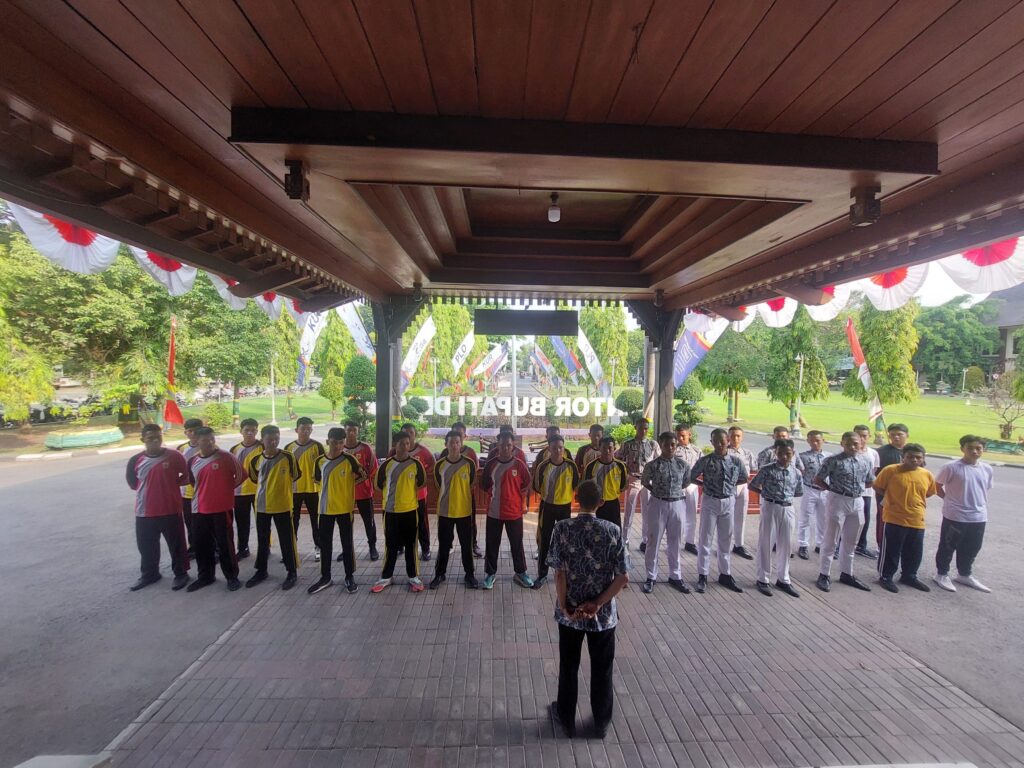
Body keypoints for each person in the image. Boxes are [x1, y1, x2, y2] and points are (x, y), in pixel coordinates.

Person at [547, 479, 628, 740]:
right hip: (602, 617)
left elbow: (559, 574)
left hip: (570, 612)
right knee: (602, 668)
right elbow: (622, 577)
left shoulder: (562, 528)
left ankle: (566, 719)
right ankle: (601, 722)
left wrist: (564, 606)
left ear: (575, 498)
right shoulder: (613, 531)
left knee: (569, 665)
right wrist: (598, 603)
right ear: (601, 503)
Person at [125, 424, 191, 591]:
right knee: (146, 546)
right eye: (150, 438)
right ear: (142, 440)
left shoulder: (175, 456)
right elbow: (133, 483)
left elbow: (186, 476)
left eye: (158, 437)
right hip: (144, 511)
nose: (155, 441)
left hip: (171, 509)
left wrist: (170, 485)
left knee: (177, 545)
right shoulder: (135, 460)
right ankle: (150, 574)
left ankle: (181, 573)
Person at [308, 427, 367, 595]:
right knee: (325, 544)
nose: (338, 446)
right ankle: (325, 577)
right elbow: (317, 480)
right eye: (334, 443)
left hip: (344, 509)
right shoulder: (319, 461)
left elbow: (363, 475)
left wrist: (347, 487)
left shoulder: (350, 460)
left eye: (341, 443)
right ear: (328, 442)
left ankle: (349, 576)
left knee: (347, 544)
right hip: (325, 509)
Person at [186, 426, 245, 592]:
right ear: (197, 441)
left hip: (221, 508)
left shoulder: (226, 457)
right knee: (201, 544)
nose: (210, 443)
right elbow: (193, 481)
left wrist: (226, 490)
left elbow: (242, 475)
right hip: (199, 509)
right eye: (205, 440)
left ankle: (232, 577)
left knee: (225, 544)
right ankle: (205, 576)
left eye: (212, 439)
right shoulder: (193, 461)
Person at [814, 432, 874, 593]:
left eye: (856, 443)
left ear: (861, 443)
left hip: (857, 500)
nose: (853, 447)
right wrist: (832, 490)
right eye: (848, 444)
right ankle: (824, 574)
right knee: (831, 539)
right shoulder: (833, 461)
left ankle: (847, 573)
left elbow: (870, 480)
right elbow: (818, 479)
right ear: (842, 444)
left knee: (851, 540)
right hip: (838, 499)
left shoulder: (866, 460)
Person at [872, 443, 936, 593]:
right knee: (891, 550)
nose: (914, 460)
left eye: (918, 457)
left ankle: (909, 575)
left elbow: (929, 493)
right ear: (903, 457)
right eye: (910, 457)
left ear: (923, 458)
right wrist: (892, 498)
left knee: (914, 551)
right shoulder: (890, 470)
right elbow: (877, 486)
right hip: (894, 518)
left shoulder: (926, 475)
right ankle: (885, 576)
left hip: (917, 519)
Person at [934, 435, 993, 593]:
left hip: (979, 515)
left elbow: (984, 488)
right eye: (970, 448)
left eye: (978, 448)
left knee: (972, 547)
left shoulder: (987, 469)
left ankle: (964, 574)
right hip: (955, 514)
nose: (974, 451)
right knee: (948, 545)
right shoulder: (951, 467)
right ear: (962, 449)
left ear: (983, 450)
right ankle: (941, 574)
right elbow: (936, 486)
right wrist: (948, 500)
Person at [690, 429, 746, 594]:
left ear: (728, 440)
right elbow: (691, 476)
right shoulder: (705, 461)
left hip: (728, 500)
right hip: (710, 500)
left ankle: (725, 574)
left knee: (726, 540)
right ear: (712, 442)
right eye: (716, 442)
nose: (720, 445)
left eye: (722, 441)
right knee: (705, 539)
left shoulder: (736, 461)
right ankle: (703, 575)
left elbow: (743, 477)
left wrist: (729, 487)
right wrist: (704, 485)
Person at [246, 425, 301, 591]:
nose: (273, 442)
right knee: (262, 540)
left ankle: (291, 572)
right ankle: (261, 570)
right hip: (262, 506)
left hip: (283, 505)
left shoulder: (288, 457)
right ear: (262, 440)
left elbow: (296, 475)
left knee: (287, 540)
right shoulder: (256, 460)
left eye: (276, 439)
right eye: (270, 439)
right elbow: (254, 478)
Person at [372, 432, 427, 593]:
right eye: (401, 443)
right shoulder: (386, 465)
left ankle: (413, 576)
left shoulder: (416, 465)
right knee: (391, 544)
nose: (404, 446)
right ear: (395, 445)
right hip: (390, 511)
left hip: (410, 510)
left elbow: (421, 483)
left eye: (407, 443)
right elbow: (378, 486)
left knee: (411, 545)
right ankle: (386, 576)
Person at [639, 431, 692, 594]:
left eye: (673, 445)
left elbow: (686, 482)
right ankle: (650, 576)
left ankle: (675, 575)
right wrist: (657, 490)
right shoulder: (652, 465)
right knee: (653, 541)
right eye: (666, 445)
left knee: (675, 542)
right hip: (658, 504)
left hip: (677, 504)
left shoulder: (683, 465)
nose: (670, 448)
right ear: (660, 445)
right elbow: (645, 481)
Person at [749, 439, 803, 598]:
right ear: (775, 453)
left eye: (788, 453)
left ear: (793, 453)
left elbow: (798, 491)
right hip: (770, 506)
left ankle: (783, 579)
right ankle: (763, 578)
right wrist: (766, 494)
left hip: (788, 508)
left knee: (786, 544)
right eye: (780, 453)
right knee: (766, 542)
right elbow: (753, 485)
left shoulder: (796, 472)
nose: (784, 457)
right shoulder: (767, 469)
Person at [480, 432, 533, 590]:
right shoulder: (491, 464)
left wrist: (518, 499)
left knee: (517, 544)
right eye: (502, 445)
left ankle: (521, 573)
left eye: (508, 445)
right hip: (494, 512)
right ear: (497, 445)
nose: (505, 448)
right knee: (492, 544)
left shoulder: (519, 465)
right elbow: (484, 484)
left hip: (514, 512)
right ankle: (490, 574)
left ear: (513, 446)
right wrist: (495, 495)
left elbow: (527, 483)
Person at [431, 431, 479, 590]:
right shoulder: (439, 465)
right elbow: (438, 485)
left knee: (466, 545)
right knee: (444, 545)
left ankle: (469, 575)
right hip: (445, 512)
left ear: (461, 444)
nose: (454, 445)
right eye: (451, 442)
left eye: (457, 442)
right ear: (446, 444)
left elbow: (471, 484)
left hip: (464, 511)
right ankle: (439, 574)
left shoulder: (469, 464)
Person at [533, 434, 580, 588]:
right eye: (554, 448)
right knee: (545, 541)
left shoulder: (571, 466)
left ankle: (565, 574)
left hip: (564, 508)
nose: (558, 451)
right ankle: (542, 575)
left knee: (565, 542)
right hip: (547, 507)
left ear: (564, 448)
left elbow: (575, 485)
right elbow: (537, 486)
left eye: (561, 448)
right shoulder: (543, 466)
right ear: (549, 449)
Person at [285, 417, 325, 561]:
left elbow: (323, 466)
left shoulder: (317, 446)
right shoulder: (289, 448)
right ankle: (291, 549)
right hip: (294, 490)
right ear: (297, 430)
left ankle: (318, 547)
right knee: (293, 521)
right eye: (303, 428)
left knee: (316, 520)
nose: (306, 431)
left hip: (312, 489)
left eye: (309, 429)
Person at [617, 417, 658, 551]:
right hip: (633, 480)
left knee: (648, 512)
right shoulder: (627, 444)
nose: (643, 431)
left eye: (646, 428)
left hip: (648, 481)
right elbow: (618, 458)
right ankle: (625, 540)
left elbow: (659, 461)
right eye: (640, 428)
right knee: (629, 511)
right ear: (635, 428)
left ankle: (645, 541)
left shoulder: (653, 445)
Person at [342, 420, 379, 561]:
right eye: (349, 430)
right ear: (344, 431)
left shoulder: (365, 448)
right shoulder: (340, 448)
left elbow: (373, 468)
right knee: (345, 523)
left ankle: (372, 547)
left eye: (354, 430)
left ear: (358, 432)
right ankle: (347, 549)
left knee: (369, 521)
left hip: (364, 492)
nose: (351, 433)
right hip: (345, 494)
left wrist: (363, 480)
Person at [401, 423, 435, 562]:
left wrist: (422, 477)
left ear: (415, 435)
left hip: (419, 495)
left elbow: (433, 465)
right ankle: (400, 546)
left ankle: (425, 549)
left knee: (421, 523)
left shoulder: (423, 451)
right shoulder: (395, 451)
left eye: (411, 432)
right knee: (402, 522)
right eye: (405, 432)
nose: (408, 435)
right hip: (401, 496)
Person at [229, 418, 262, 559]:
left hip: (258, 491)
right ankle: (243, 548)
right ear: (241, 431)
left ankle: (264, 548)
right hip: (239, 492)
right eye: (247, 430)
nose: (250, 433)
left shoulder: (263, 447)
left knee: (262, 522)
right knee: (242, 522)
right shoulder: (234, 450)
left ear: (257, 431)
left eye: (253, 430)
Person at [451, 421, 484, 558]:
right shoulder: (445, 452)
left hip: (467, 496)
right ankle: (448, 545)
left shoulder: (470, 452)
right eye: (455, 432)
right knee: (448, 522)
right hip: (450, 496)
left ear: (465, 435)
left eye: (460, 433)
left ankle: (473, 544)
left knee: (470, 522)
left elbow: (475, 474)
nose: (458, 436)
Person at [875, 423, 909, 550]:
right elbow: (875, 475)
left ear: (907, 435)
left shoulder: (911, 452)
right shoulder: (881, 452)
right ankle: (882, 545)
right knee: (884, 519)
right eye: (893, 434)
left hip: (907, 495)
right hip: (886, 494)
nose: (896, 437)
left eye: (899, 434)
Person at [797, 431, 830, 560]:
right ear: (808, 441)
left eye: (818, 440)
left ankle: (820, 544)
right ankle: (803, 544)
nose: (815, 443)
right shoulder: (803, 457)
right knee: (805, 517)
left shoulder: (829, 457)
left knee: (824, 518)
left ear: (823, 440)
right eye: (812, 441)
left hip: (825, 490)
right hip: (809, 489)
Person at [584, 437, 628, 528]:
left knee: (615, 529)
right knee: (596, 530)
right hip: (596, 503)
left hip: (613, 503)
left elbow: (623, 486)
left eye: (610, 448)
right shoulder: (591, 466)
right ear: (599, 448)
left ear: (614, 449)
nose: (607, 451)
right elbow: (586, 486)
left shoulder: (620, 466)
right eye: (604, 448)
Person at [726, 426, 756, 560]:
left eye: (738, 436)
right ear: (728, 437)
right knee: (727, 516)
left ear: (742, 437)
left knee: (741, 516)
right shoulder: (725, 452)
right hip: (728, 486)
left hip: (743, 486)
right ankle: (724, 544)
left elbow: (754, 469)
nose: (735, 438)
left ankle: (739, 544)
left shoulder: (747, 453)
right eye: (732, 436)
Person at [176, 417, 204, 554]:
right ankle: (193, 547)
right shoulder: (181, 449)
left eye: (196, 430)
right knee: (189, 522)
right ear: (185, 432)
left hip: (203, 492)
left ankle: (213, 548)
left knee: (206, 522)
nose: (193, 434)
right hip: (186, 493)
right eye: (190, 431)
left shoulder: (207, 446)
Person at [853, 424, 880, 559]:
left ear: (869, 436)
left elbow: (873, 473)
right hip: (850, 492)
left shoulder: (873, 453)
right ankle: (839, 544)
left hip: (866, 493)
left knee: (864, 519)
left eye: (864, 436)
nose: (861, 439)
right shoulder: (849, 452)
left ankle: (861, 545)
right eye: (859, 436)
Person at [674, 424, 702, 555]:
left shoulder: (697, 451)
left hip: (692, 484)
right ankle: (676, 541)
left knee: (692, 514)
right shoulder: (673, 450)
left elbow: (702, 467)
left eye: (683, 436)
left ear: (689, 435)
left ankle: (690, 542)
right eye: (678, 436)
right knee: (678, 515)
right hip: (678, 486)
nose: (680, 438)